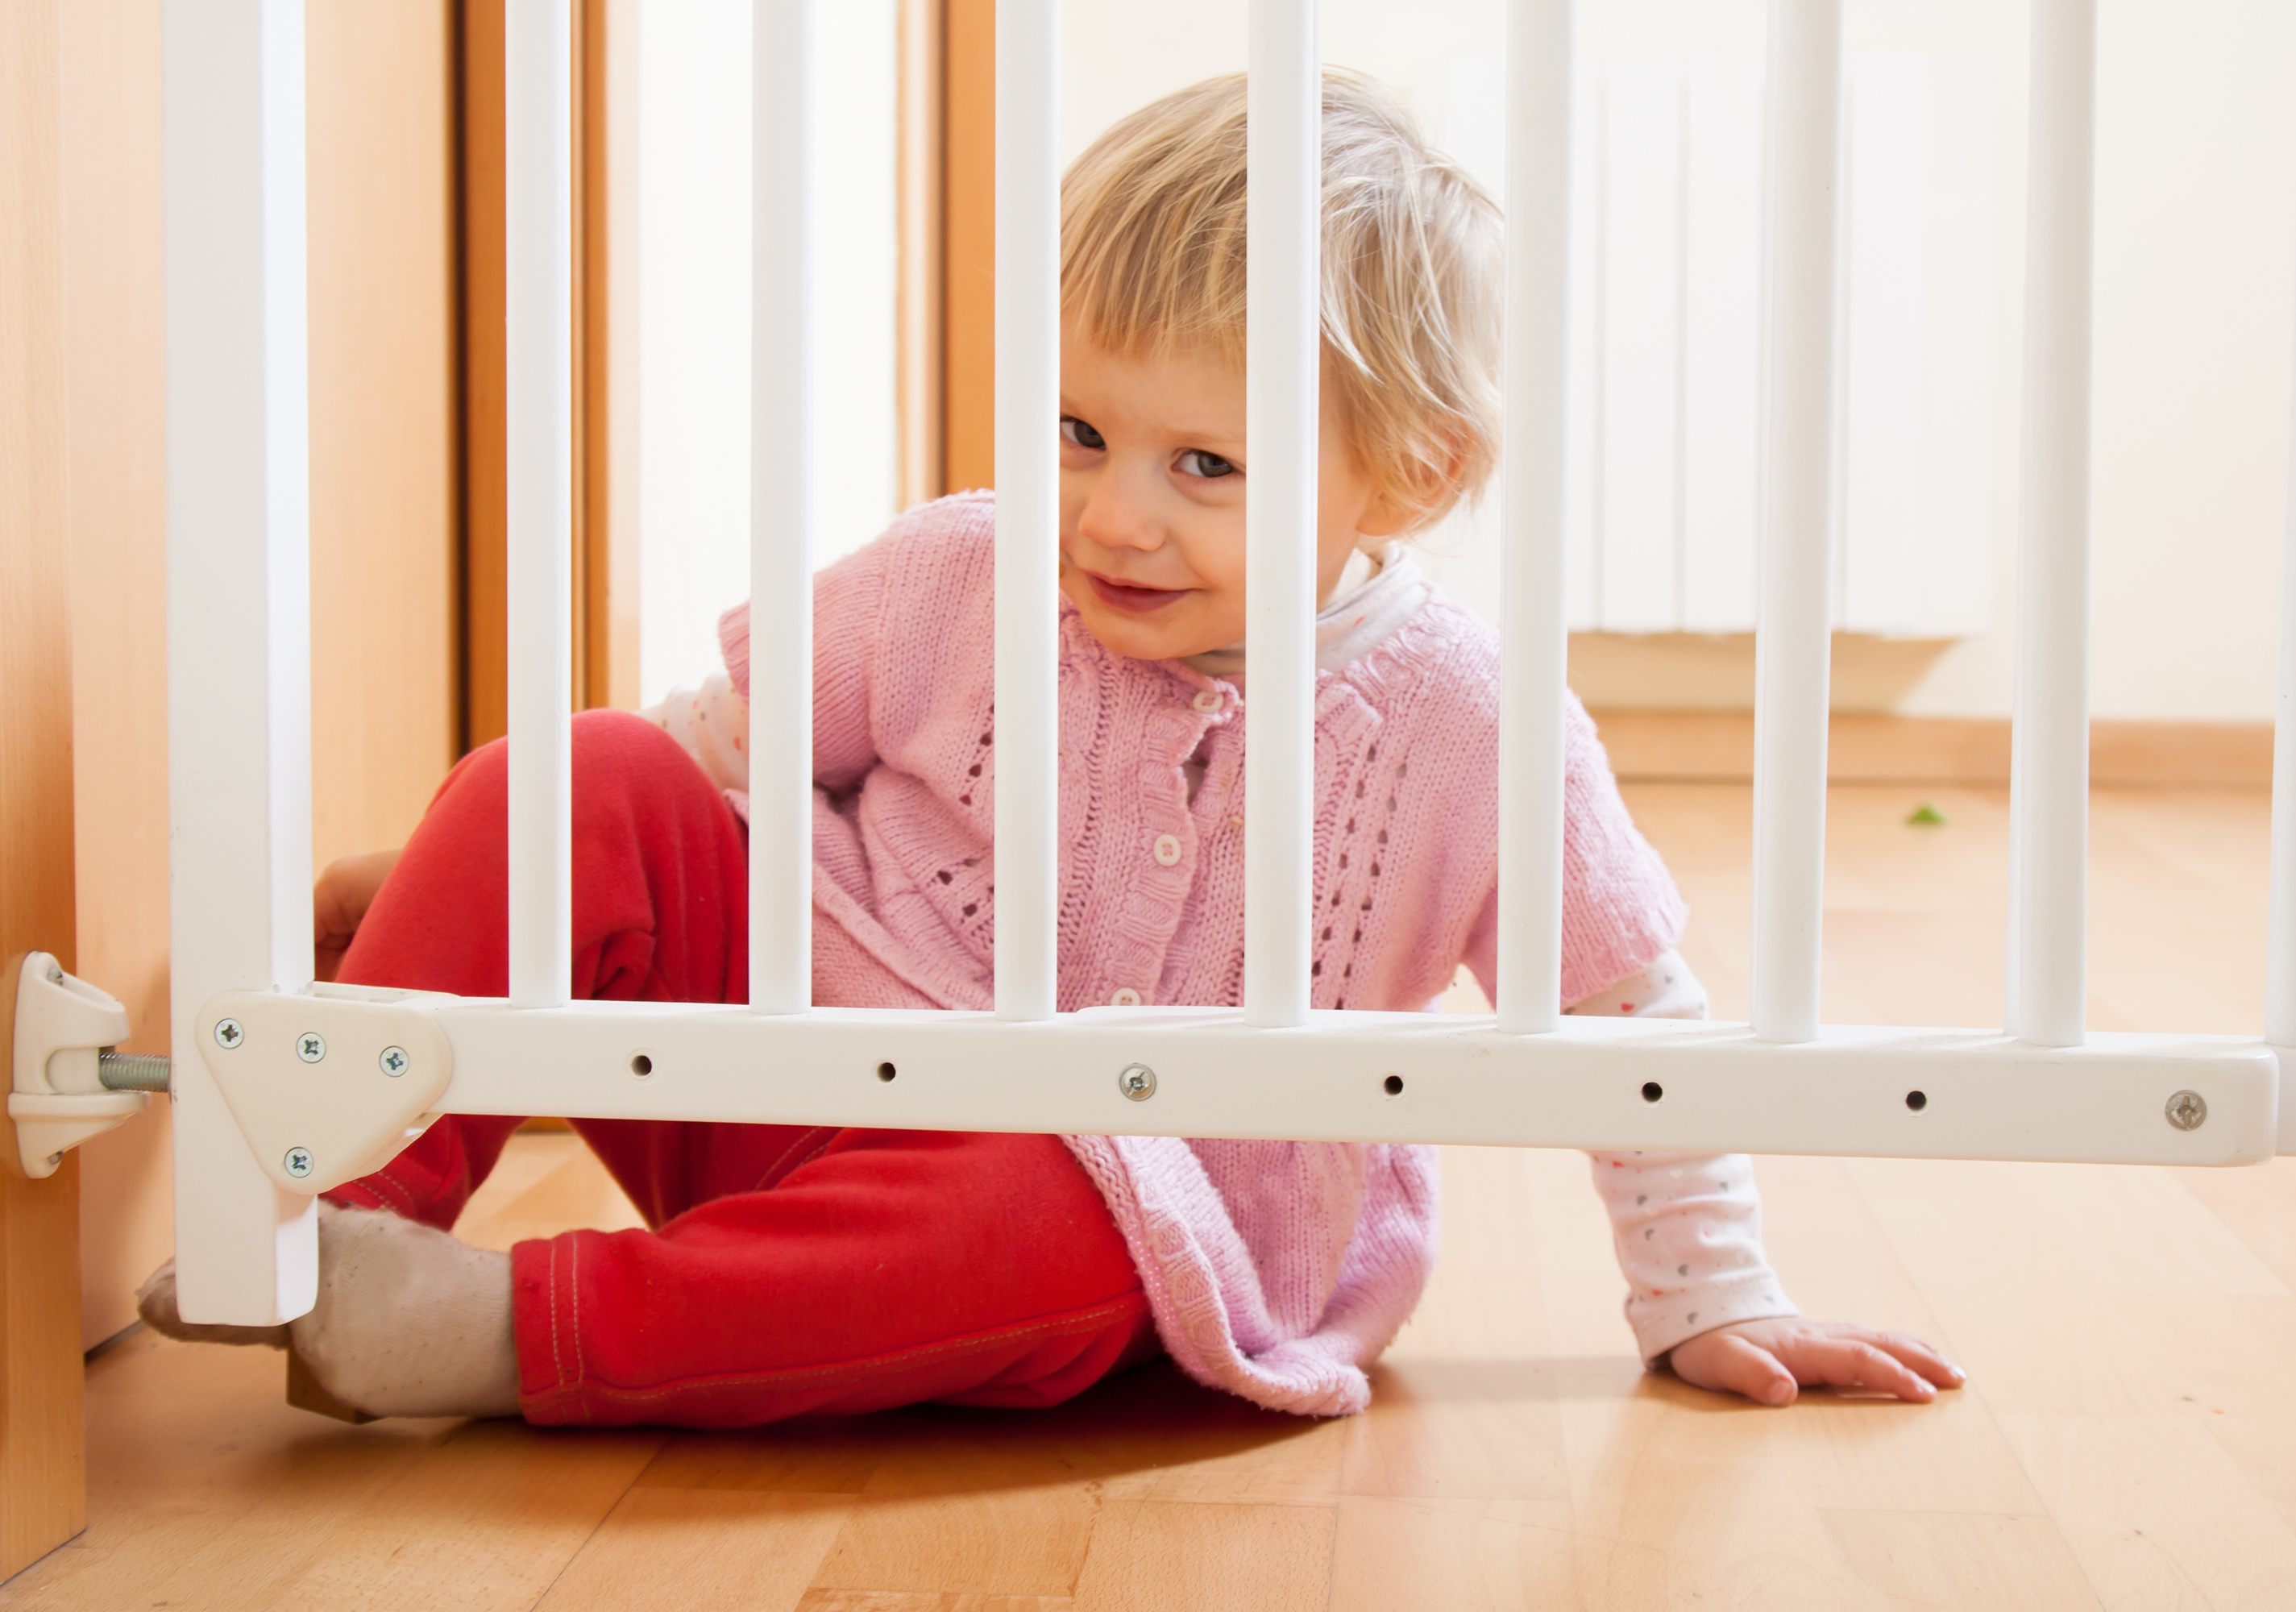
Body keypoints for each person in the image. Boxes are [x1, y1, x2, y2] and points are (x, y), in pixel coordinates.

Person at [139, 71, 1962, 1426]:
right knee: (578, 762)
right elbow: (701, 766)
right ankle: (327, 1224)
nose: (1115, 517)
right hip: (788, 1077)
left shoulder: (1474, 721)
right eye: (1083, 429)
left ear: (1406, 475)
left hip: (1133, 1225)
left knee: (1057, 1208)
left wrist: (1707, 1287)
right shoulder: (965, 571)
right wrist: (511, 871)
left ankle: (508, 1332)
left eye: (1206, 467)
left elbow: (1628, 1017)